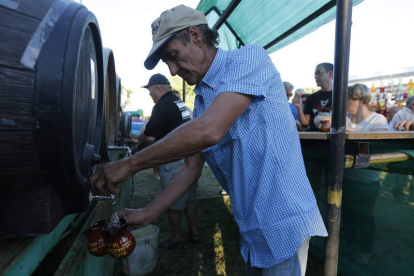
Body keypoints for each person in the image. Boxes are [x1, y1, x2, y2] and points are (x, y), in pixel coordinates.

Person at [90, 5, 327, 275]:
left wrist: (129, 164)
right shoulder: (202, 103)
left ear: (195, 35)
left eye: (173, 56)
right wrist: (147, 213)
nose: (172, 70)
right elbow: (190, 169)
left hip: (284, 223)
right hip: (252, 227)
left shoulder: (249, 59)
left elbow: (210, 129)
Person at [138, 73, 199, 249]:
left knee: (171, 201)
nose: (150, 95)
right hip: (190, 158)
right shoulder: (180, 103)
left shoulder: (163, 105)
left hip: (174, 160)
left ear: (158, 88)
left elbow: (149, 139)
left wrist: (137, 150)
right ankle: (193, 232)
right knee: (189, 199)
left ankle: (177, 238)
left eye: (150, 91)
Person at [293, 63, 333, 131]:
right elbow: (305, 124)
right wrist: (299, 107)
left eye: (318, 73)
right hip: (315, 139)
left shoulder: (341, 97)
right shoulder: (311, 97)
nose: (315, 76)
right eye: (315, 74)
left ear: (329, 73)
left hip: (335, 139)